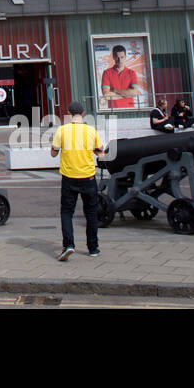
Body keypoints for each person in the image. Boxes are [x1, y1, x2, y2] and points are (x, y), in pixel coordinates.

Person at [49, 100, 105, 260]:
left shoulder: (62, 130)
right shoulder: (90, 130)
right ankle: (93, 248)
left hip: (69, 177)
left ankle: (68, 245)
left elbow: (53, 153)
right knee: (91, 213)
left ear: (68, 113)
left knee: (67, 212)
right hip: (88, 176)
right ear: (83, 114)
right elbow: (100, 153)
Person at [99, 44, 146, 109]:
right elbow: (106, 95)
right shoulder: (107, 73)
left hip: (130, 110)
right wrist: (127, 95)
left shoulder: (131, 73)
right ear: (113, 57)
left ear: (125, 56)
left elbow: (134, 93)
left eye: (122, 57)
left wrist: (115, 90)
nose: (120, 60)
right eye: (117, 57)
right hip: (113, 110)